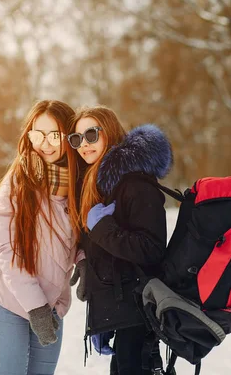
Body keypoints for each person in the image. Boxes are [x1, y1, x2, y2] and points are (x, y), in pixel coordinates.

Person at [67, 106, 173, 375]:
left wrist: (101, 228)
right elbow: (110, 257)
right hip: (123, 314)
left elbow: (151, 249)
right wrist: (102, 314)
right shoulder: (101, 184)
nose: (84, 145)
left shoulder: (136, 184)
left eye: (91, 135)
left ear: (109, 131)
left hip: (140, 313)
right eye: (76, 139)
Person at [0, 100, 83, 375]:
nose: (45, 144)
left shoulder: (77, 184)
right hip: (10, 303)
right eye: (37, 134)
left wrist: (84, 258)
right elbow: (5, 249)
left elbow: (78, 235)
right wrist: (36, 307)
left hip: (51, 305)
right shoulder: (18, 182)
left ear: (69, 136)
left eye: (54, 135)